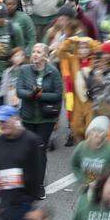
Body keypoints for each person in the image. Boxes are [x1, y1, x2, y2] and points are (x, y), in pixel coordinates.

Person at [0, 103, 46, 220]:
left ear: (16, 119)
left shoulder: (32, 141)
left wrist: (28, 193)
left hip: (24, 200)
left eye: (5, 120)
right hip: (5, 200)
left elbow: (39, 171)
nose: (2, 124)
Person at [15, 42, 64, 182]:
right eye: (33, 51)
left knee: (40, 150)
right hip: (28, 117)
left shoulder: (53, 71)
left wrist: (40, 95)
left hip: (45, 119)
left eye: (39, 52)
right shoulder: (24, 70)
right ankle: (29, 179)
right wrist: (31, 94)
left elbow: (58, 95)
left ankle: (40, 182)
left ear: (45, 56)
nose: (35, 54)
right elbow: (19, 91)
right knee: (28, 150)